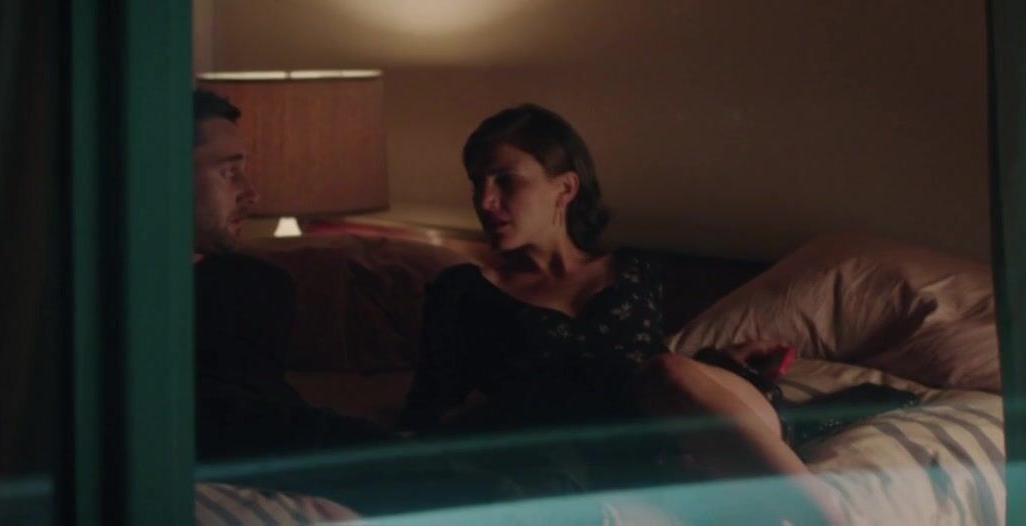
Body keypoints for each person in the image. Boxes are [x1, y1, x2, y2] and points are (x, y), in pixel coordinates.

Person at [401, 103, 840, 524]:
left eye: (505, 181)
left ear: (565, 188)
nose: (485, 200)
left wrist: (719, 361)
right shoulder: (465, 291)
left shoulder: (632, 269)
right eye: (477, 183)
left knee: (669, 373)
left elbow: (646, 359)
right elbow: (428, 409)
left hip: (688, 414)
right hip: (624, 452)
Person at [191, 88, 387, 461]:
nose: (251, 194)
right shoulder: (125, 300)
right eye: (229, 172)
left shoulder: (256, 287)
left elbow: (270, 409)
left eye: (244, 171)